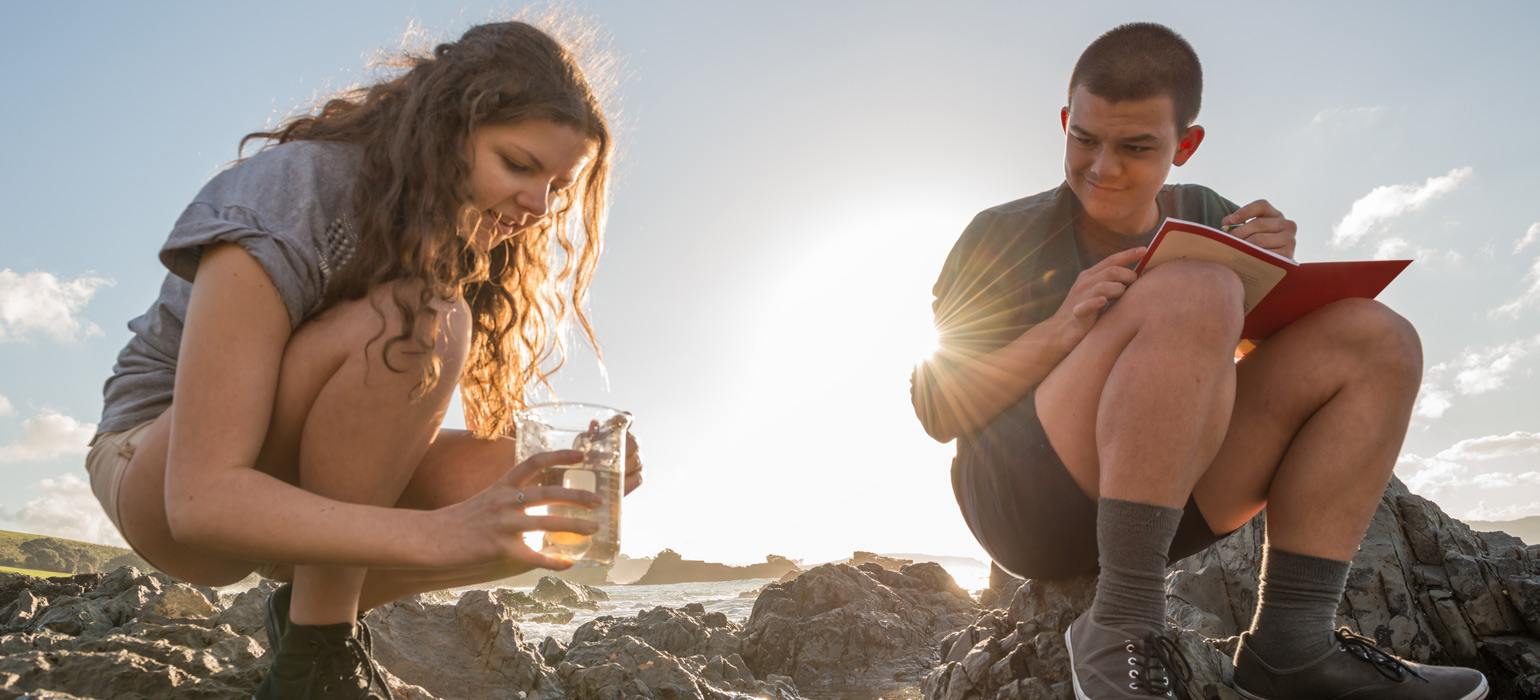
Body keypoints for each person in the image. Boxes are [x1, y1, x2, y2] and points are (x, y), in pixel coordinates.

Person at [911, 22, 1487, 700]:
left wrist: (1277, 282)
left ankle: (1292, 649)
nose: (1102, 166)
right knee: (1197, 285)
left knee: (1378, 336)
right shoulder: (1000, 232)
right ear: (1066, 120)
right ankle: (1120, 620)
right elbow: (935, 409)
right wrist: (1062, 327)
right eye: (1084, 139)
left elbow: (1244, 375)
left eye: (1135, 147)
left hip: (1171, 485)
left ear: (1186, 145)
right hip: (1026, 499)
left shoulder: (1210, 215)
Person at [84, 19, 642, 700]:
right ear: (444, 132)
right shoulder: (294, 193)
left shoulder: (449, 232)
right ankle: (318, 661)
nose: (538, 205)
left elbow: (378, 425)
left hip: (270, 479)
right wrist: (442, 534)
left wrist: (563, 482)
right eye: (519, 166)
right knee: (419, 319)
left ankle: (313, 622)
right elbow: (198, 501)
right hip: (157, 467)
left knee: (532, 488)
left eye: (557, 185)